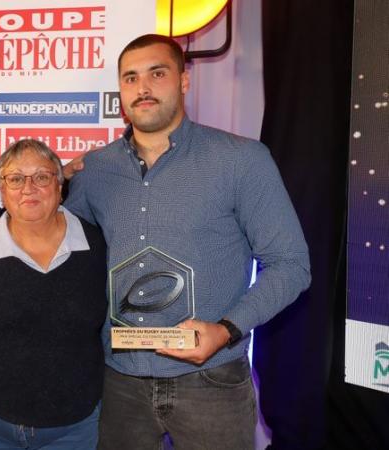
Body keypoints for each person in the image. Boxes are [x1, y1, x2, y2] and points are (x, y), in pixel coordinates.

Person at [62, 34, 311, 449]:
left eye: (157, 73)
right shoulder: (94, 172)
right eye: (130, 78)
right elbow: (51, 242)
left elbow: (291, 265)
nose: (142, 88)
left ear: (184, 80)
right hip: (119, 382)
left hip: (212, 381)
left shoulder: (241, 159)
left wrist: (226, 329)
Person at [0, 139, 107, 450]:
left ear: (60, 183)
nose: (29, 188)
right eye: (15, 178)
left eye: (41, 177)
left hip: (74, 431)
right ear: (1, 189)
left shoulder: (98, 246)